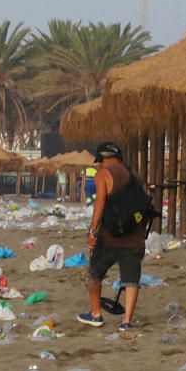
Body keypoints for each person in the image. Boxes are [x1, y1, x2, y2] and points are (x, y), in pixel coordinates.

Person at [77, 142, 147, 331]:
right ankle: (126, 321)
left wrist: (92, 232)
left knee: (94, 274)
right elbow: (145, 203)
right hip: (135, 238)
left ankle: (96, 314)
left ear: (103, 159)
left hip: (109, 238)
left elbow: (99, 205)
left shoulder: (103, 174)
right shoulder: (134, 176)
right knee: (131, 279)